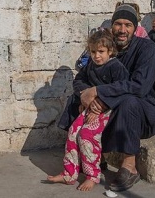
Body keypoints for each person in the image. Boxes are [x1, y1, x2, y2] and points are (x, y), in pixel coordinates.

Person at [60, 4, 155, 192]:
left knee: (128, 102)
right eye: (118, 24)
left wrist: (100, 93)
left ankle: (130, 165)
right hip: (109, 108)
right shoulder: (103, 46)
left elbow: (139, 86)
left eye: (128, 25)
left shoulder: (147, 48)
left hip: (142, 111)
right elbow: (81, 78)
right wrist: (88, 96)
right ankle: (92, 157)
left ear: (135, 28)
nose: (122, 30)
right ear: (112, 26)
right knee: (76, 100)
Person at [50, 29, 129, 191]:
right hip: (90, 107)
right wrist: (85, 96)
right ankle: (69, 173)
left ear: (110, 51)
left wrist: (101, 102)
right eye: (93, 51)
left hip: (107, 109)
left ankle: (93, 175)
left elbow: (122, 88)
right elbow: (78, 81)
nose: (97, 56)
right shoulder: (90, 66)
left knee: (87, 135)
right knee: (73, 132)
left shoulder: (116, 67)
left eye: (101, 51)